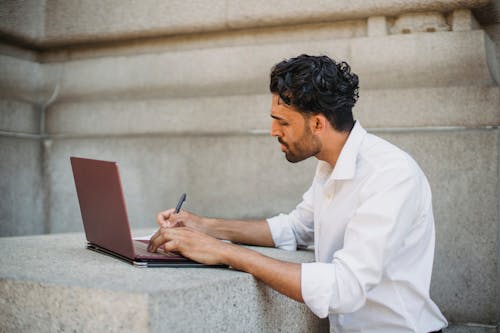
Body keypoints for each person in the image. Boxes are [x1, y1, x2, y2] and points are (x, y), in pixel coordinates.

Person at [148, 54, 448, 333]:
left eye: (282, 121)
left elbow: (345, 288)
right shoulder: (330, 164)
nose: (272, 131)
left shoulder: (390, 173)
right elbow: (295, 228)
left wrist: (225, 252)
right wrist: (205, 226)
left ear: (317, 123)